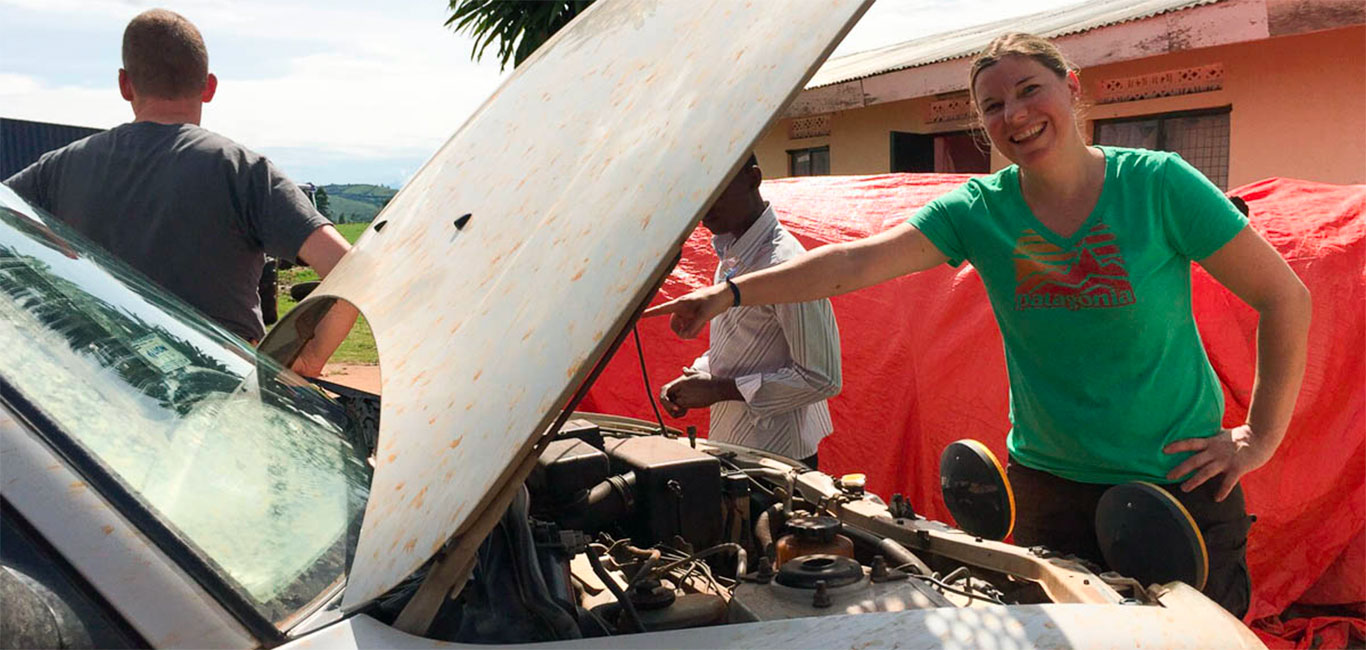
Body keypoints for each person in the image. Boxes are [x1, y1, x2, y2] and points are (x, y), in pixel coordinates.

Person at [646, 33, 1310, 617]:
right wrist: (728, 295)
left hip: (1178, 486)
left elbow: (1286, 297)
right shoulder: (980, 210)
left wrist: (1259, 436)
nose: (1015, 115)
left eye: (1029, 91)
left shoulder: (1158, 184)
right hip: (1050, 486)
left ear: (1071, 89)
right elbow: (854, 263)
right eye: (993, 105)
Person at [3, 8, 354, 376]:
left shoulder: (58, 168)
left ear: (124, 84)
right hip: (221, 397)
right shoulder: (242, 170)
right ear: (209, 86)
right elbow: (349, 268)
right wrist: (311, 357)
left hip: (102, 394)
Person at [658, 155, 842, 469]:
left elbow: (823, 379)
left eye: (716, 190)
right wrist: (696, 377)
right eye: (697, 194)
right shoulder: (732, 253)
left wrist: (716, 390)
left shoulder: (785, 264)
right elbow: (748, 344)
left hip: (780, 461)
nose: (704, 205)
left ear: (753, 178)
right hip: (733, 448)